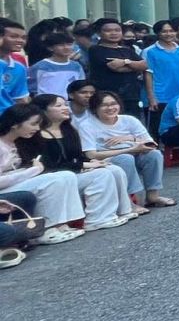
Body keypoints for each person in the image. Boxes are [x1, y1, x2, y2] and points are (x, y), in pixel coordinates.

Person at [24, 93, 137, 227]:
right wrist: (83, 165)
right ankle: (97, 219)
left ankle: (123, 210)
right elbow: (49, 165)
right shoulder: (36, 135)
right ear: (43, 110)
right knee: (101, 174)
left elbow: (78, 155)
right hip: (56, 177)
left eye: (65, 105)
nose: (65, 108)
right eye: (58, 106)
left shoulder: (68, 130)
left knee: (114, 169)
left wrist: (92, 162)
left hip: (73, 172)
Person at [0, 103, 86, 245]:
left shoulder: (18, 142)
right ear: (14, 124)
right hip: (4, 190)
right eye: (33, 124)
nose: (37, 128)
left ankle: (64, 223)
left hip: (15, 183)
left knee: (67, 175)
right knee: (52, 181)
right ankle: (46, 229)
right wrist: (33, 171)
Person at [74, 90, 175, 204]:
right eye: (104, 105)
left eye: (113, 104)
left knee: (154, 154)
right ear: (94, 108)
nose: (110, 108)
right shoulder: (87, 125)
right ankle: (130, 202)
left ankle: (152, 196)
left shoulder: (129, 120)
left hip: (135, 153)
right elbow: (91, 154)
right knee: (125, 158)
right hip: (107, 160)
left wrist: (129, 138)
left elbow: (151, 144)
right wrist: (129, 150)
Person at [85, 18, 147, 123]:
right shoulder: (95, 49)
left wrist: (125, 62)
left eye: (117, 30)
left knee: (131, 123)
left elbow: (145, 65)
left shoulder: (127, 50)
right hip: (107, 95)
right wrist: (133, 67)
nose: (113, 33)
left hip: (131, 95)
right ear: (99, 33)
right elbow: (114, 67)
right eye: (108, 30)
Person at [139, 21, 179, 131]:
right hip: (160, 96)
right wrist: (151, 97)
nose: (168, 34)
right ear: (158, 33)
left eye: (171, 31)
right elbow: (148, 75)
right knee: (157, 128)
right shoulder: (149, 51)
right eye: (164, 31)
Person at [27, 32, 86, 100]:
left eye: (69, 44)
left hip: (70, 103)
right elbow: (31, 88)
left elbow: (81, 86)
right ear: (50, 48)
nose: (66, 47)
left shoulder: (76, 66)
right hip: (47, 103)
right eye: (61, 45)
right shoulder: (40, 66)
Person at [0, 20, 29, 111]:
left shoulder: (19, 68)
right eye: (13, 36)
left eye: (23, 38)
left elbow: (20, 99)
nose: (20, 41)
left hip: (7, 116)